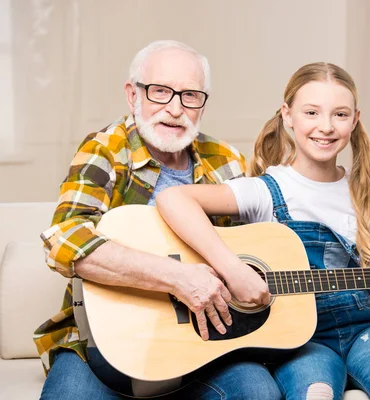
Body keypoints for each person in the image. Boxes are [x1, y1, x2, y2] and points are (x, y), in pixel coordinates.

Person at [156, 62, 370, 400]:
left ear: (355, 120)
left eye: (340, 115)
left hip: (366, 326)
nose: (325, 127)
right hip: (300, 338)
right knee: (315, 393)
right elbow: (172, 198)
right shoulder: (266, 189)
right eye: (311, 112)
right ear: (288, 116)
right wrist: (231, 268)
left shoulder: (366, 190)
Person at [34, 40, 282, 400]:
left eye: (190, 95)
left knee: (260, 394)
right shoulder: (104, 149)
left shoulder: (227, 160)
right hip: (102, 344)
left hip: (206, 346)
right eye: (160, 92)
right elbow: (65, 239)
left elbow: (260, 249)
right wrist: (178, 278)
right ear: (132, 95)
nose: (175, 108)